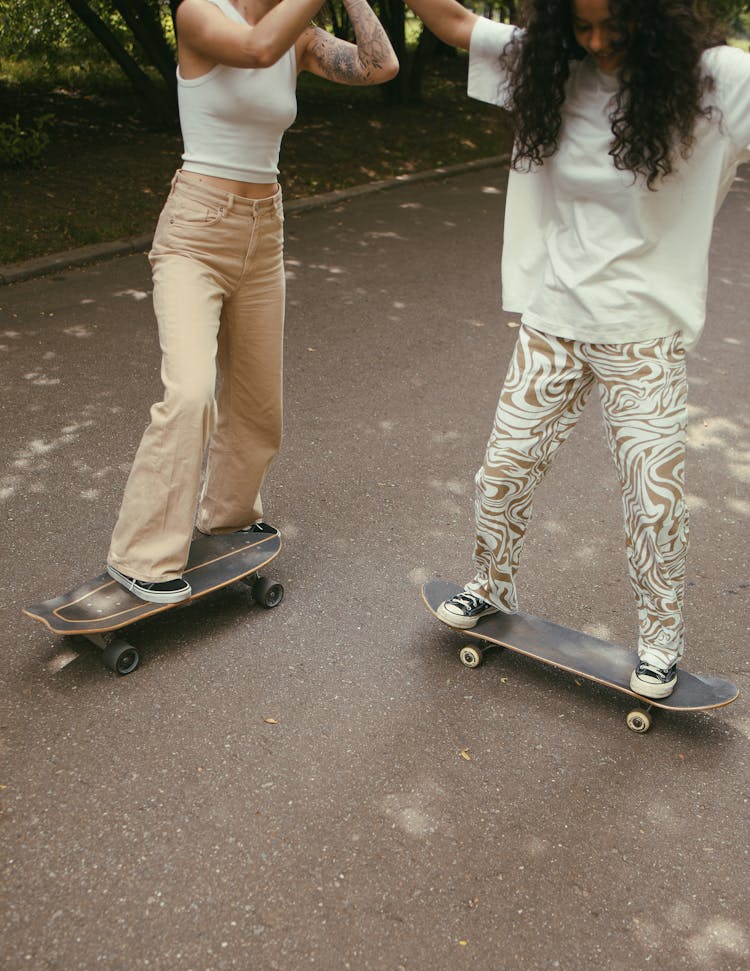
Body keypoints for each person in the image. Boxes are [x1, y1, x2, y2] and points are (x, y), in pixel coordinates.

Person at [404, 0, 750, 699]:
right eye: (582, 28)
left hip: (645, 333)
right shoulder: (551, 65)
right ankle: (490, 586)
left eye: (613, 28)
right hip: (555, 321)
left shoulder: (718, 78)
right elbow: (451, 20)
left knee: (654, 501)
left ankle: (660, 643)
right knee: (503, 471)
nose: (597, 43)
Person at [106, 0, 398, 605]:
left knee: (258, 404)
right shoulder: (199, 14)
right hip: (195, 231)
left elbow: (380, 65)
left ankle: (229, 518)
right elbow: (257, 48)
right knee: (189, 394)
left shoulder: (302, 34)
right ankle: (140, 555)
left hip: (264, 232)